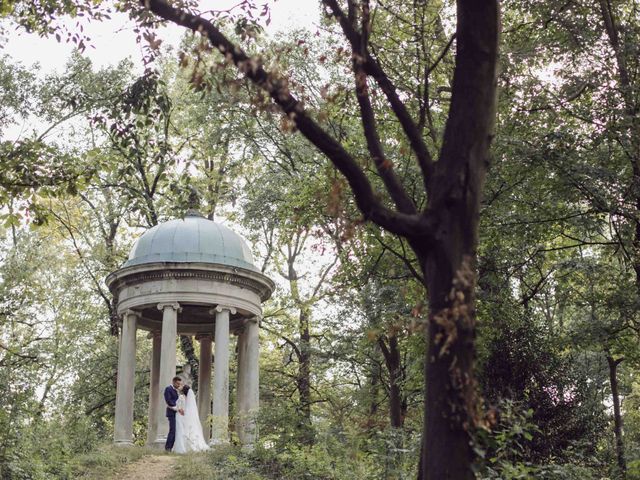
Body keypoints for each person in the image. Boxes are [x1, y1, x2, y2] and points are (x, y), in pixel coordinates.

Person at [172, 384, 210, 453]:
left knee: (182, 431)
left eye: (182, 387)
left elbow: (178, 407)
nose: (181, 387)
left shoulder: (181, 397)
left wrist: (176, 409)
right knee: (190, 431)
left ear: (183, 390)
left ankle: (184, 448)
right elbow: (189, 410)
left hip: (182, 416)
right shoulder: (188, 399)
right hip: (188, 417)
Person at [163, 376, 184, 452]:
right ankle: (168, 448)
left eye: (179, 384)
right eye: (178, 384)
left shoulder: (176, 391)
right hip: (171, 413)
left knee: (175, 431)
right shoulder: (168, 389)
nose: (179, 385)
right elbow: (169, 401)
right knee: (173, 430)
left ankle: (170, 448)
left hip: (177, 414)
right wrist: (178, 409)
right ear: (173, 382)